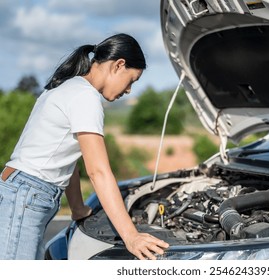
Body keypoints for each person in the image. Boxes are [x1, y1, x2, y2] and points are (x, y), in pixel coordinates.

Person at [0, 33, 169, 260]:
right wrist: (131, 236)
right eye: (131, 80)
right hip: (26, 195)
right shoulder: (85, 97)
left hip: (24, 192)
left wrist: (77, 207)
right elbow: (98, 172)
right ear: (119, 65)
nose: (129, 90)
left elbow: (68, 159)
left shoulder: (69, 88)